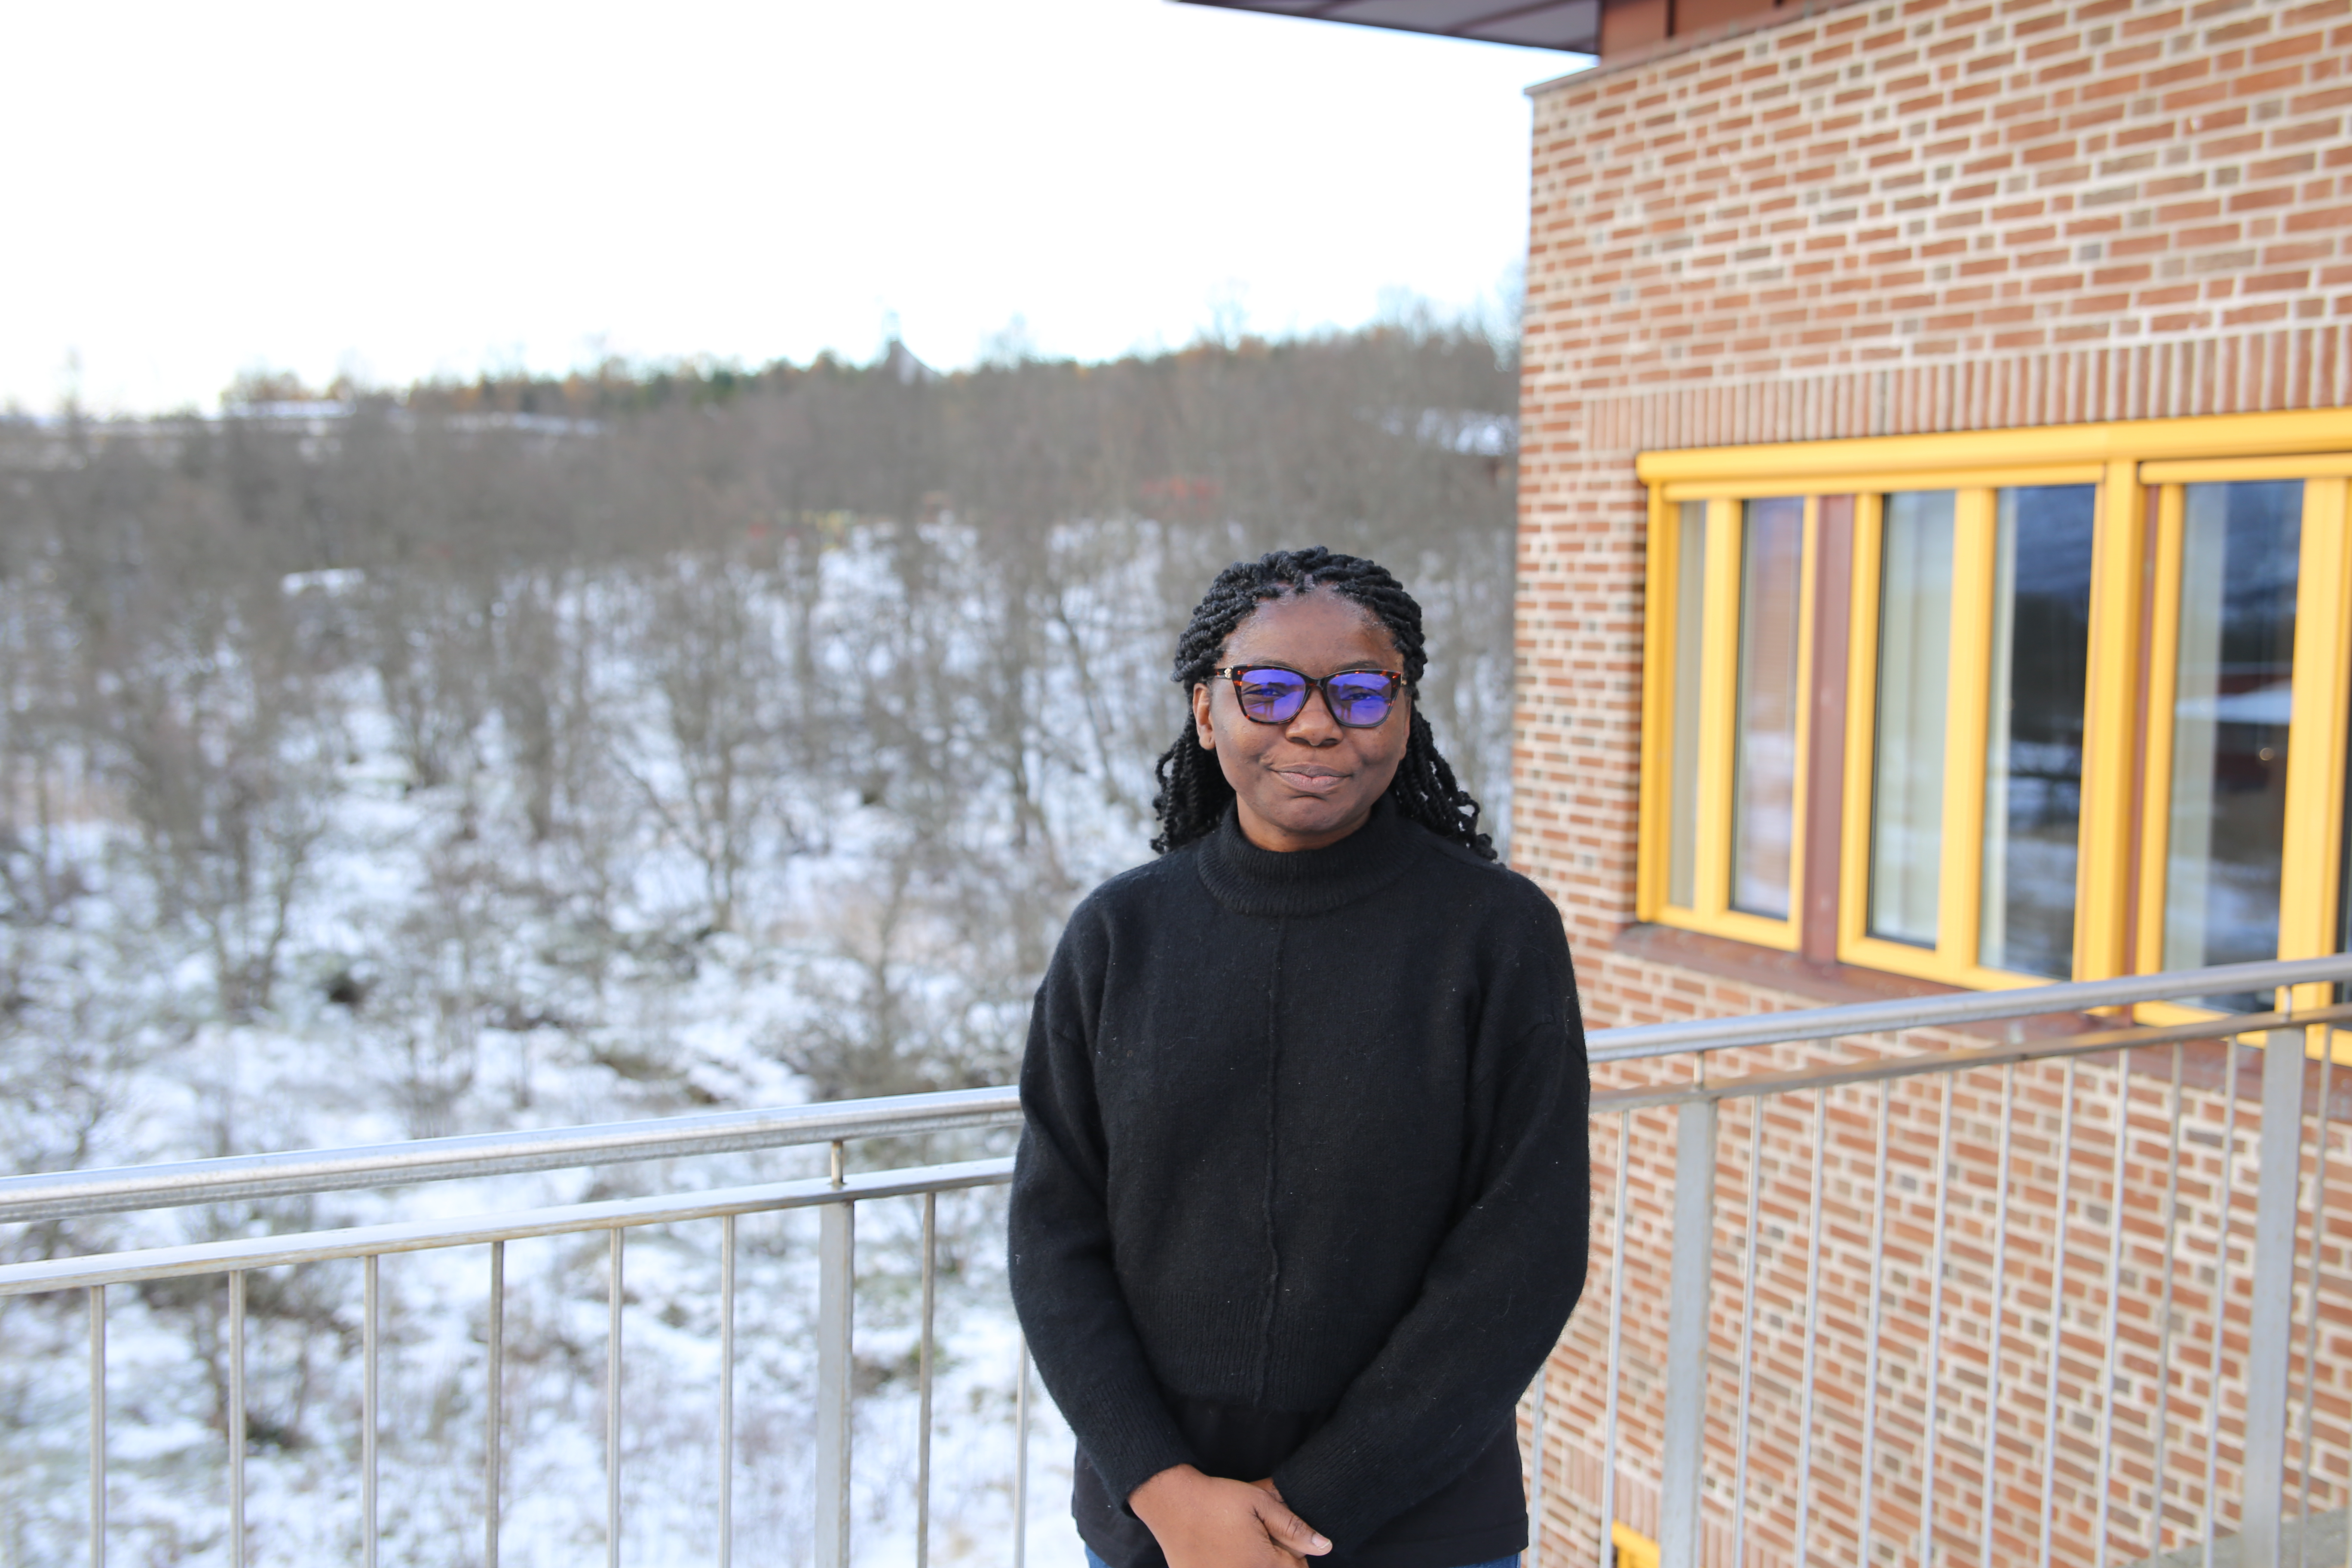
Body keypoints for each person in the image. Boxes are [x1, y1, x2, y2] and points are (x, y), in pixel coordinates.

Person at [1008, 547, 1591, 1568]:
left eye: (1362, 692)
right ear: (1205, 710)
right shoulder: (1118, 938)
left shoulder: (1494, 933)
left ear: (1405, 714)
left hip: (1421, 1521)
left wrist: (1309, 1505)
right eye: (1266, 690)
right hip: (1162, 1531)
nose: (1315, 724)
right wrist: (1165, 1492)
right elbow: (1053, 1241)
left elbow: (1524, 1257)